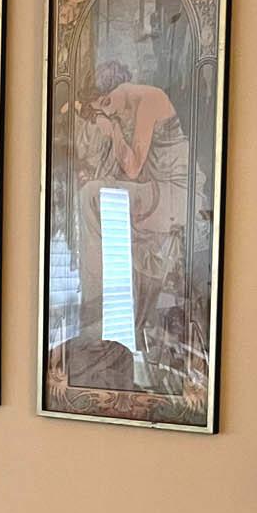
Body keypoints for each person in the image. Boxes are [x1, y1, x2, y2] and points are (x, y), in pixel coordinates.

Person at [71, 60, 192, 385]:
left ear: (114, 92)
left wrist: (112, 132)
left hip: (170, 196)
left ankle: (96, 303)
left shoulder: (148, 100)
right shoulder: (127, 106)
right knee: (94, 194)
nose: (111, 114)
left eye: (107, 106)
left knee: (92, 197)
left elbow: (134, 167)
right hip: (153, 194)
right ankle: (104, 311)